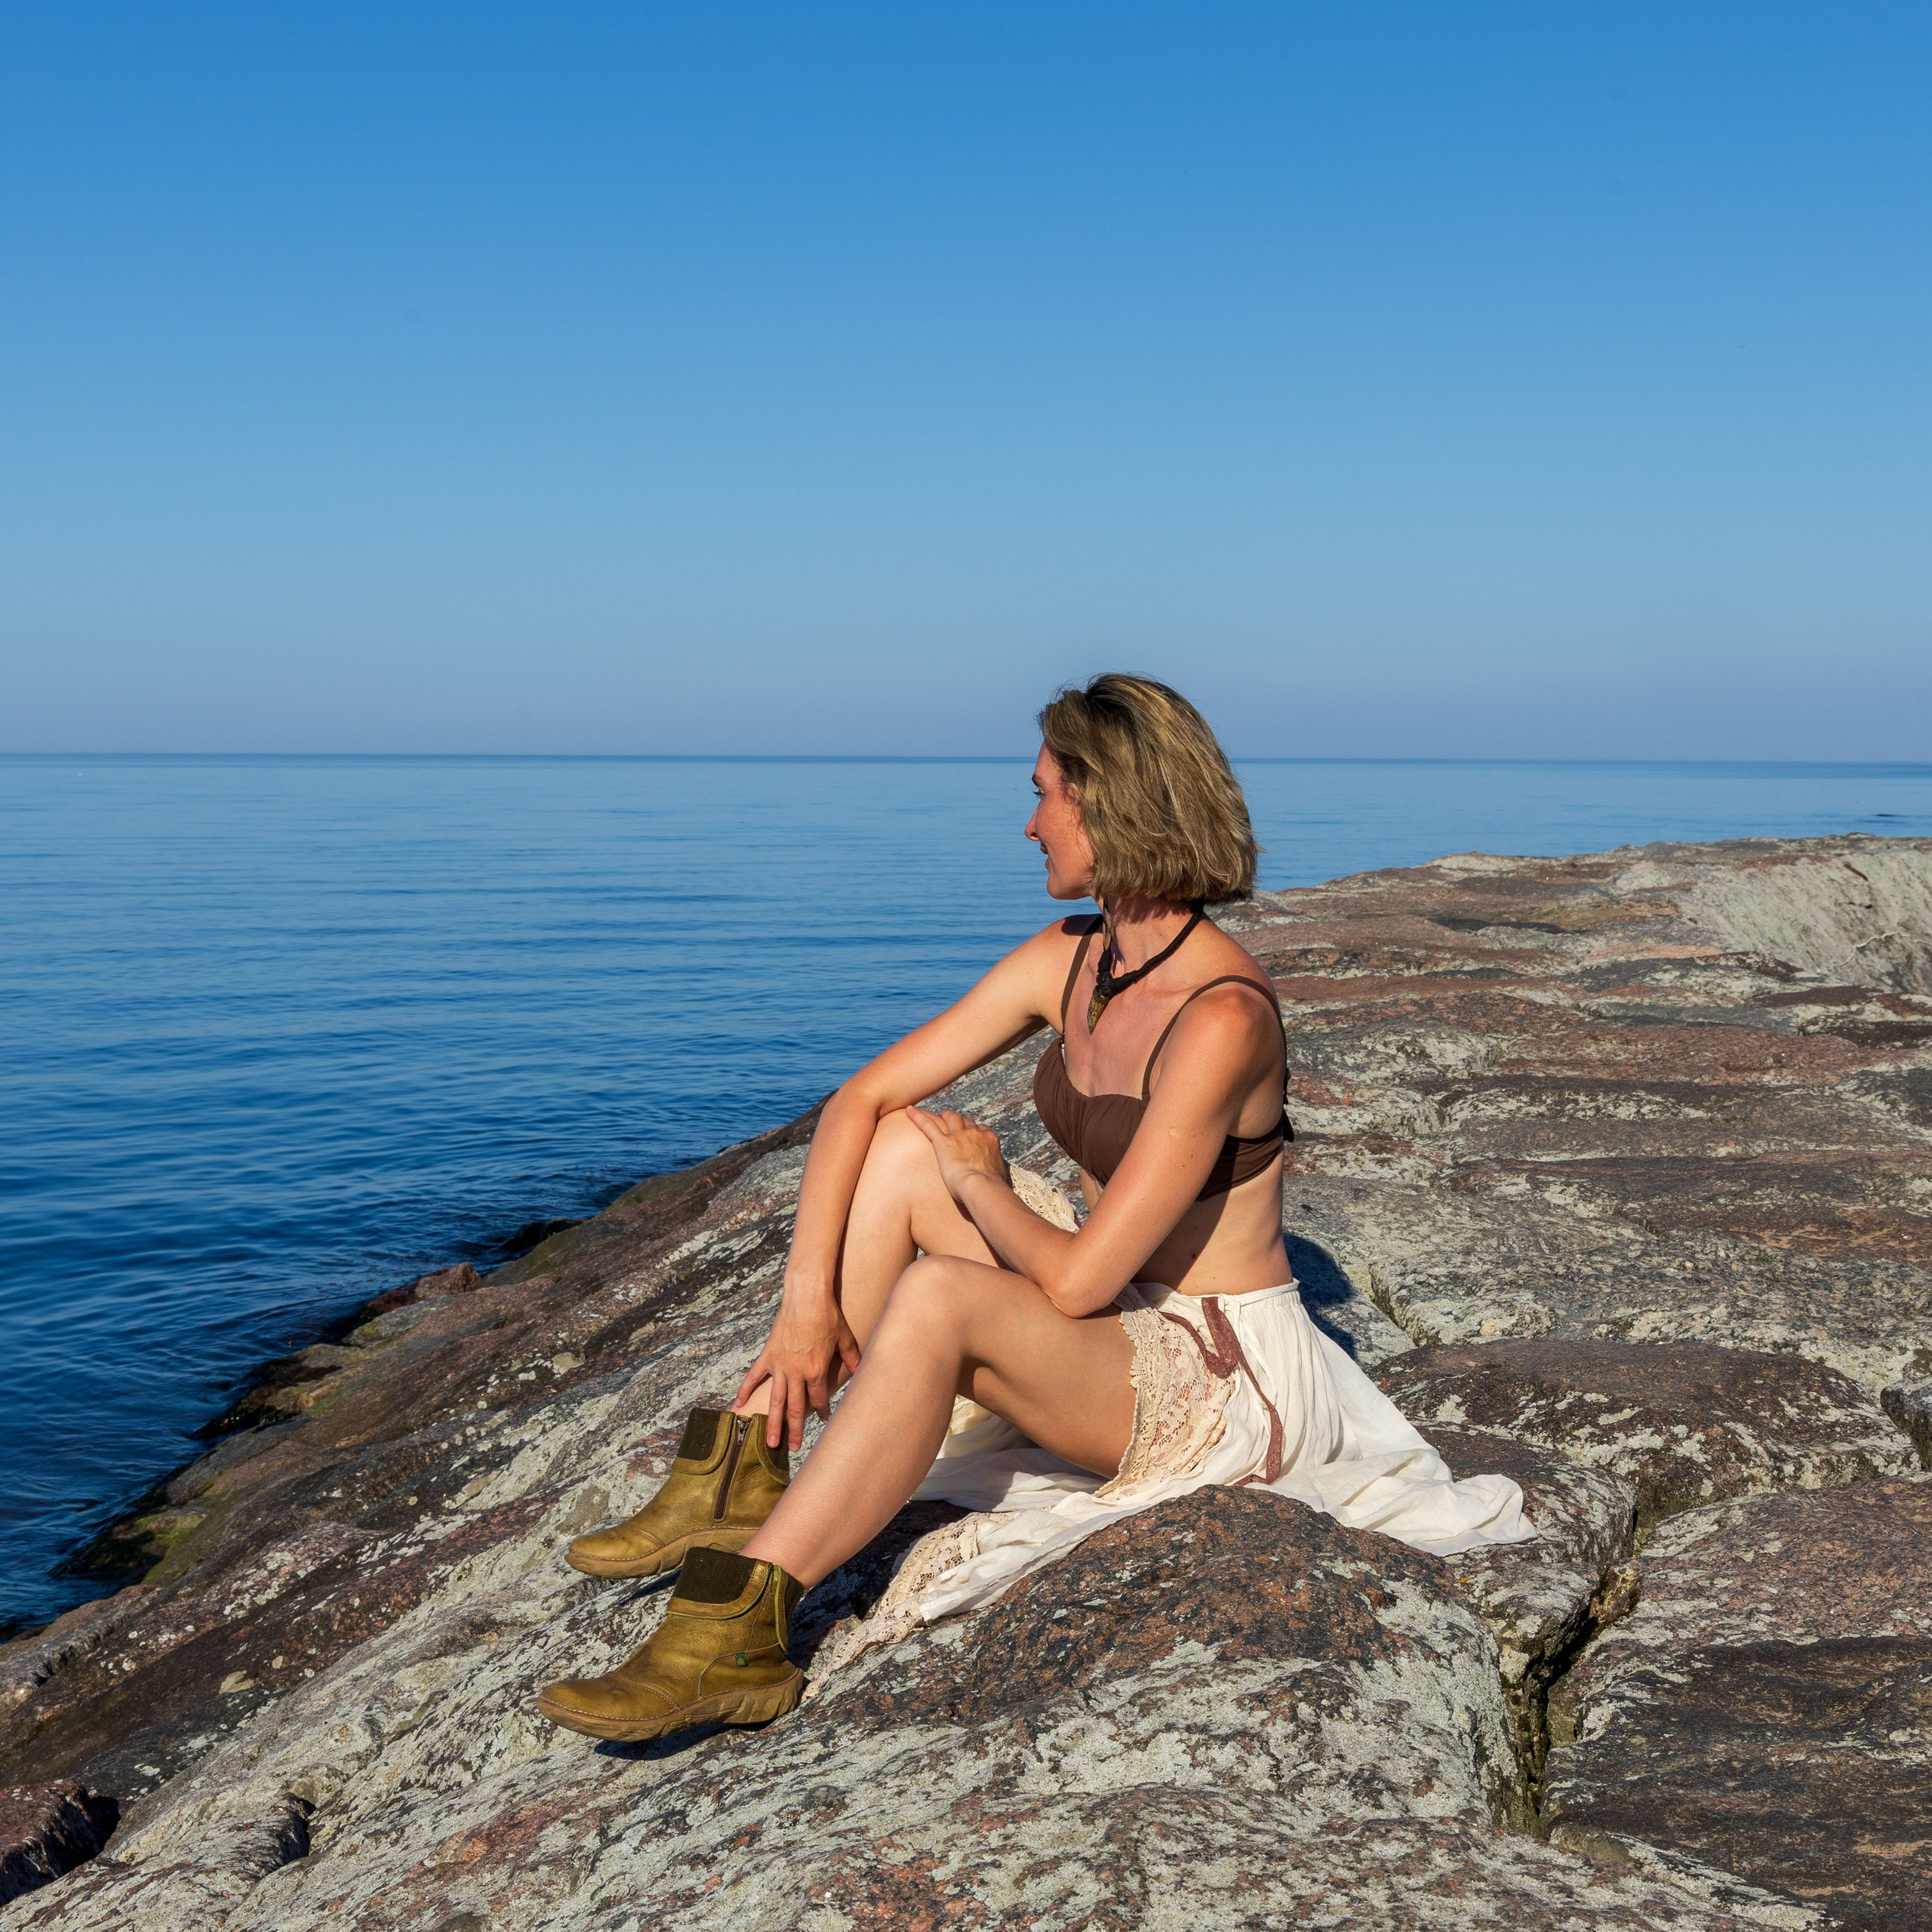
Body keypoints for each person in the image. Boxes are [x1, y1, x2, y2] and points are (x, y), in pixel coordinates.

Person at [536, 675, 1532, 1743]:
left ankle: (732, 1634)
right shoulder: (1074, 960)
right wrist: (803, 1308)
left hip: (1222, 1371)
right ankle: (753, 1454)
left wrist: (979, 1183)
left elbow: (1076, 1281)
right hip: (1114, 1320)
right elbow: (859, 1099)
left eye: (1046, 793)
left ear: (1112, 806)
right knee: (905, 1144)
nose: (1028, 822)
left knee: (940, 1288)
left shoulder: (1222, 1016)